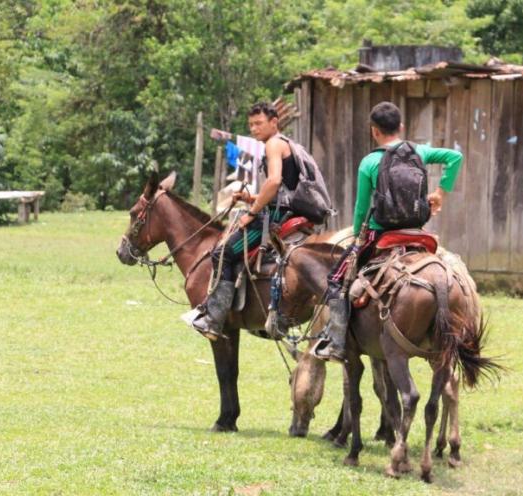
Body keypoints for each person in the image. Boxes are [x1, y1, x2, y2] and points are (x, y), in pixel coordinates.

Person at [311, 101, 463, 363]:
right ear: (401, 127)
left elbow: (361, 209)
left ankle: (336, 342)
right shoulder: (419, 152)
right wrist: (440, 192)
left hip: (382, 234)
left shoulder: (369, 162)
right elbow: (454, 157)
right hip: (417, 233)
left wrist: (358, 236)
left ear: (374, 131)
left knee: (337, 280)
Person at [191, 102, 303, 340]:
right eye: (251, 124)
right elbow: (282, 187)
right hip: (285, 208)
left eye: (258, 123)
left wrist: (252, 212)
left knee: (222, 253)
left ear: (274, 122)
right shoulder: (285, 144)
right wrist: (250, 197)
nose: (253, 129)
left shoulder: (273, 144)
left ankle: (215, 318)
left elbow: (273, 183)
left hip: (276, 215)